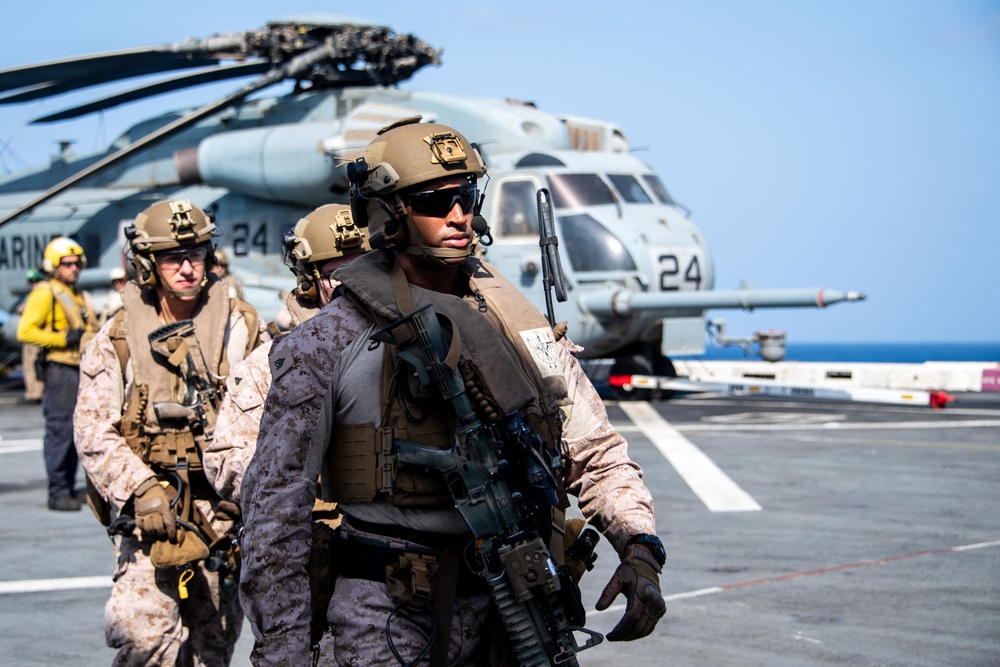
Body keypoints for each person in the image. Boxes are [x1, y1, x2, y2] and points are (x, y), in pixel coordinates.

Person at [238, 117, 666, 666]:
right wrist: (284, 651)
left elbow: (594, 449)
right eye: (436, 202)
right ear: (389, 213)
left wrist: (639, 547)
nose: (460, 214)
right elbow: (276, 505)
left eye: (466, 195)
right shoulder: (326, 343)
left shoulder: (517, 326)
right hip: (388, 614)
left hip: (517, 604)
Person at [74, 199, 264, 666]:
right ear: (147, 264)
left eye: (195, 254)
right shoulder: (117, 336)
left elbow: (269, 418)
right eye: (171, 257)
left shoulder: (241, 327)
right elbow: (92, 428)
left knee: (212, 647)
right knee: (142, 637)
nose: (186, 267)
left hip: (221, 512)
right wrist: (139, 489)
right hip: (148, 510)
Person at [206, 203, 369, 503]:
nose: (355, 286)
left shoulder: (413, 342)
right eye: (338, 276)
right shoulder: (270, 364)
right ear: (309, 282)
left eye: (366, 269)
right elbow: (225, 461)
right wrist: (304, 474)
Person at [17, 238, 99, 511]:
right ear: (54, 266)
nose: (74, 268)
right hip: (60, 369)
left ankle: (66, 485)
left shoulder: (73, 292)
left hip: (79, 368)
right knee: (60, 429)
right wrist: (63, 338)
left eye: (77, 264)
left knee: (76, 430)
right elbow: (25, 331)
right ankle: (58, 491)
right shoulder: (45, 293)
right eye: (67, 264)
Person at [17, 267, 48, 403]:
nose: (33, 283)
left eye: (35, 280)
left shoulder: (41, 294)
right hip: (30, 337)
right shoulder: (35, 294)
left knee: (35, 365)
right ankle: (32, 391)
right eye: (32, 281)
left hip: (36, 338)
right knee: (28, 366)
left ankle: (37, 393)